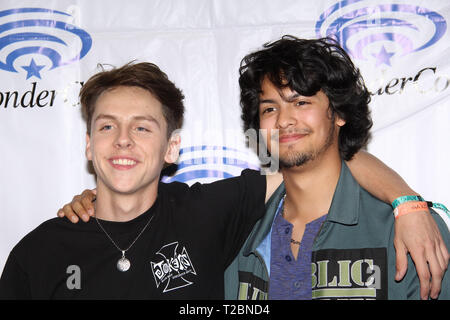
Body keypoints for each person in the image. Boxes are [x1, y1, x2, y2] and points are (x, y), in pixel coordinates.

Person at [5, 57, 445, 299]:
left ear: (171, 147)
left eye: (141, 127)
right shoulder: (39, 251)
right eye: (106, 127)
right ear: (87, 145)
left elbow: (319, 159)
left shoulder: (212, 213)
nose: (122, 141)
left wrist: (407, 202)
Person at [224, 36, 449, 300]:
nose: (284, 120)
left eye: (301, 103)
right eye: (270, 108)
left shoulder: (403, 229)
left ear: (339, 113)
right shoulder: (237, 230)